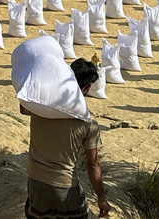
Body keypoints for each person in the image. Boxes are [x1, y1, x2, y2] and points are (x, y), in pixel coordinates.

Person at [23, 58, 111, 219]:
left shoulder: (41, 106)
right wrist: (101, 197)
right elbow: (93, 164)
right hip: (65, 187)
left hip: (36, 183)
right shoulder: (88, 121)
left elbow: (23, 104)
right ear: (87, 87)